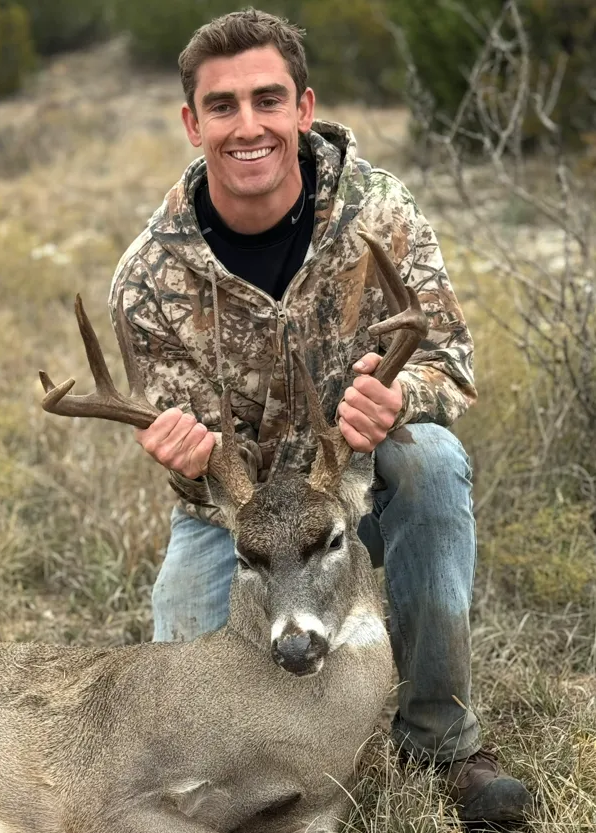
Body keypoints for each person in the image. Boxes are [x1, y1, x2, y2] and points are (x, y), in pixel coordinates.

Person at [109, 8, 532, 824]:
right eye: (223, 107)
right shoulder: (150, 275)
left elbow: (451, 362)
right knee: (186, 730)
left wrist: (401, 397)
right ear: (192, 123)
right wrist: (179, 453)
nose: (248, 126)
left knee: (433, 462)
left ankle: (443, 739)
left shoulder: (383, 213)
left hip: (357, 491)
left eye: (268, 100)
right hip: (241, 524)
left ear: (303, 109)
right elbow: (185, 455)